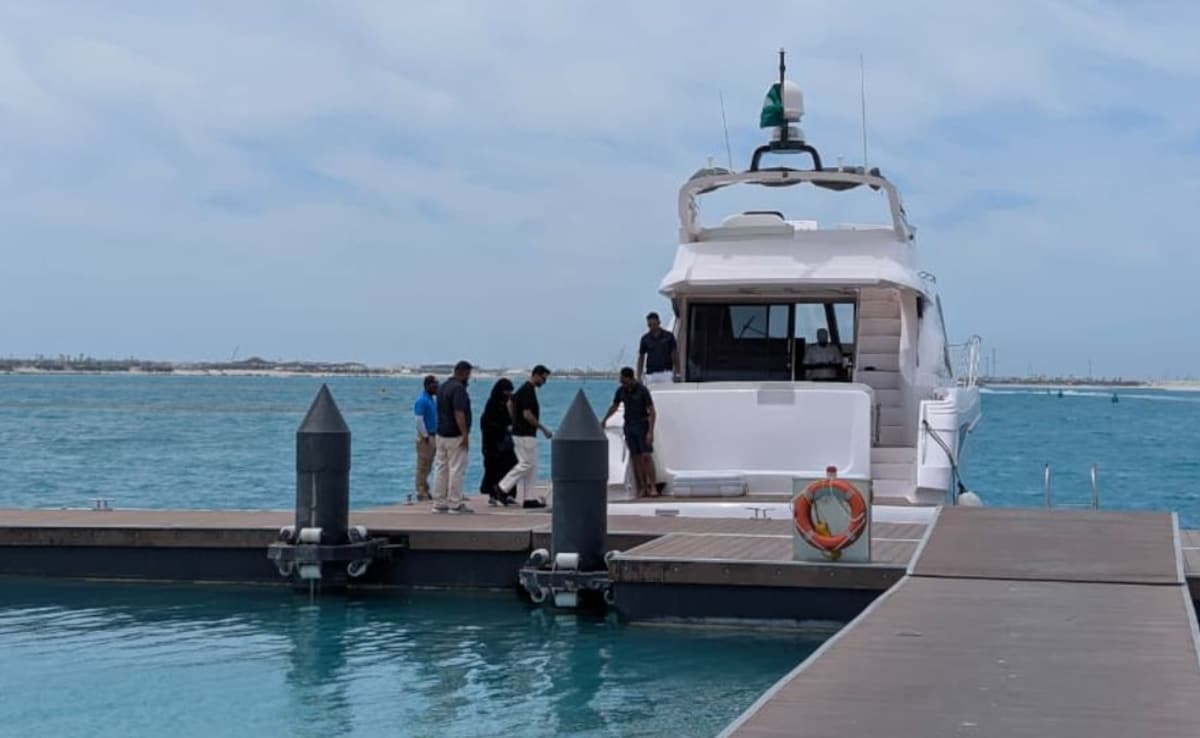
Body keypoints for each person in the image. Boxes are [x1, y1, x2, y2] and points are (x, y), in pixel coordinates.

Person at [496, 365, 553, 508]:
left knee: (532, 466)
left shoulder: (523, 390)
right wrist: (543, 429)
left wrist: (514, 421)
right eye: (543, 378)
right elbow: (527, 414)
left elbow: (510, 403)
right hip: (525, 434)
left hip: (521, 432)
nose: (544, 382)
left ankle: (529, 498)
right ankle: (502, 487)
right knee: (526, 463)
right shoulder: (528, 391)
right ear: (536, 375)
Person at [601, 366, 658, 497]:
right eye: (622, 382)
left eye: (625, 381)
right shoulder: (621, 391)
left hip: (642, 424)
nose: (623, 384)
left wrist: (650, 431)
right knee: (635, 457)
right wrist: (604, 419)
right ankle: (642, 487)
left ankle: (653, 486)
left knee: (646, 456)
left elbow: (652, 412)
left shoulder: (642, 390)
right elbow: (615, 406)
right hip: (629, 425)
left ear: (631, 379)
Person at [432, 360, 474, 514]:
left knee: (441, 468)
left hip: (441, 433)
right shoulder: (459, 389)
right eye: (468, 374)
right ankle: (455, 503)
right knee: (456, 469)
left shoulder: (442, 387)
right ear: (464, 373)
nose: (469, 378)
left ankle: (439, 502)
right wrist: (465, 434)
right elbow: (459, 413)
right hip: (455, 435)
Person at [479, 377, 518, 507]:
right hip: (492, 444)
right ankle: (493, 494)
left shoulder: (508, 403)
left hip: (506, 444)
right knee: (493, 469)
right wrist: (503, 427)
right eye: (506, 391)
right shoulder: (492, 405)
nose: (508, 394)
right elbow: (487, 423)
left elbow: (513, 418)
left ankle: (509, 493)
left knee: (510, 466)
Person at [412, 375, 439, 501]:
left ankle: (426, 489)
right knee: (423, 465)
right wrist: (425, 435)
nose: (437, 387)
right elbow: (419, 420)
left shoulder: (431, 399)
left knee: (429, 464)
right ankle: (420, 491)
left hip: (433, 434)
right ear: (428, 386)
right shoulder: (422, 400)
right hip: (426, 436)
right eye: (435, 385)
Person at [637, 312, 679, 386]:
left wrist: (677, 372)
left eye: (654, 324)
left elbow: (674, 355)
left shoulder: (669, 336)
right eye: (649, 325)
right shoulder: (645, 339)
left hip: (666, 373)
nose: (652, 327)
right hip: (650, 374)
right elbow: (641, 358)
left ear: (659, 322)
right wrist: (639, 376)